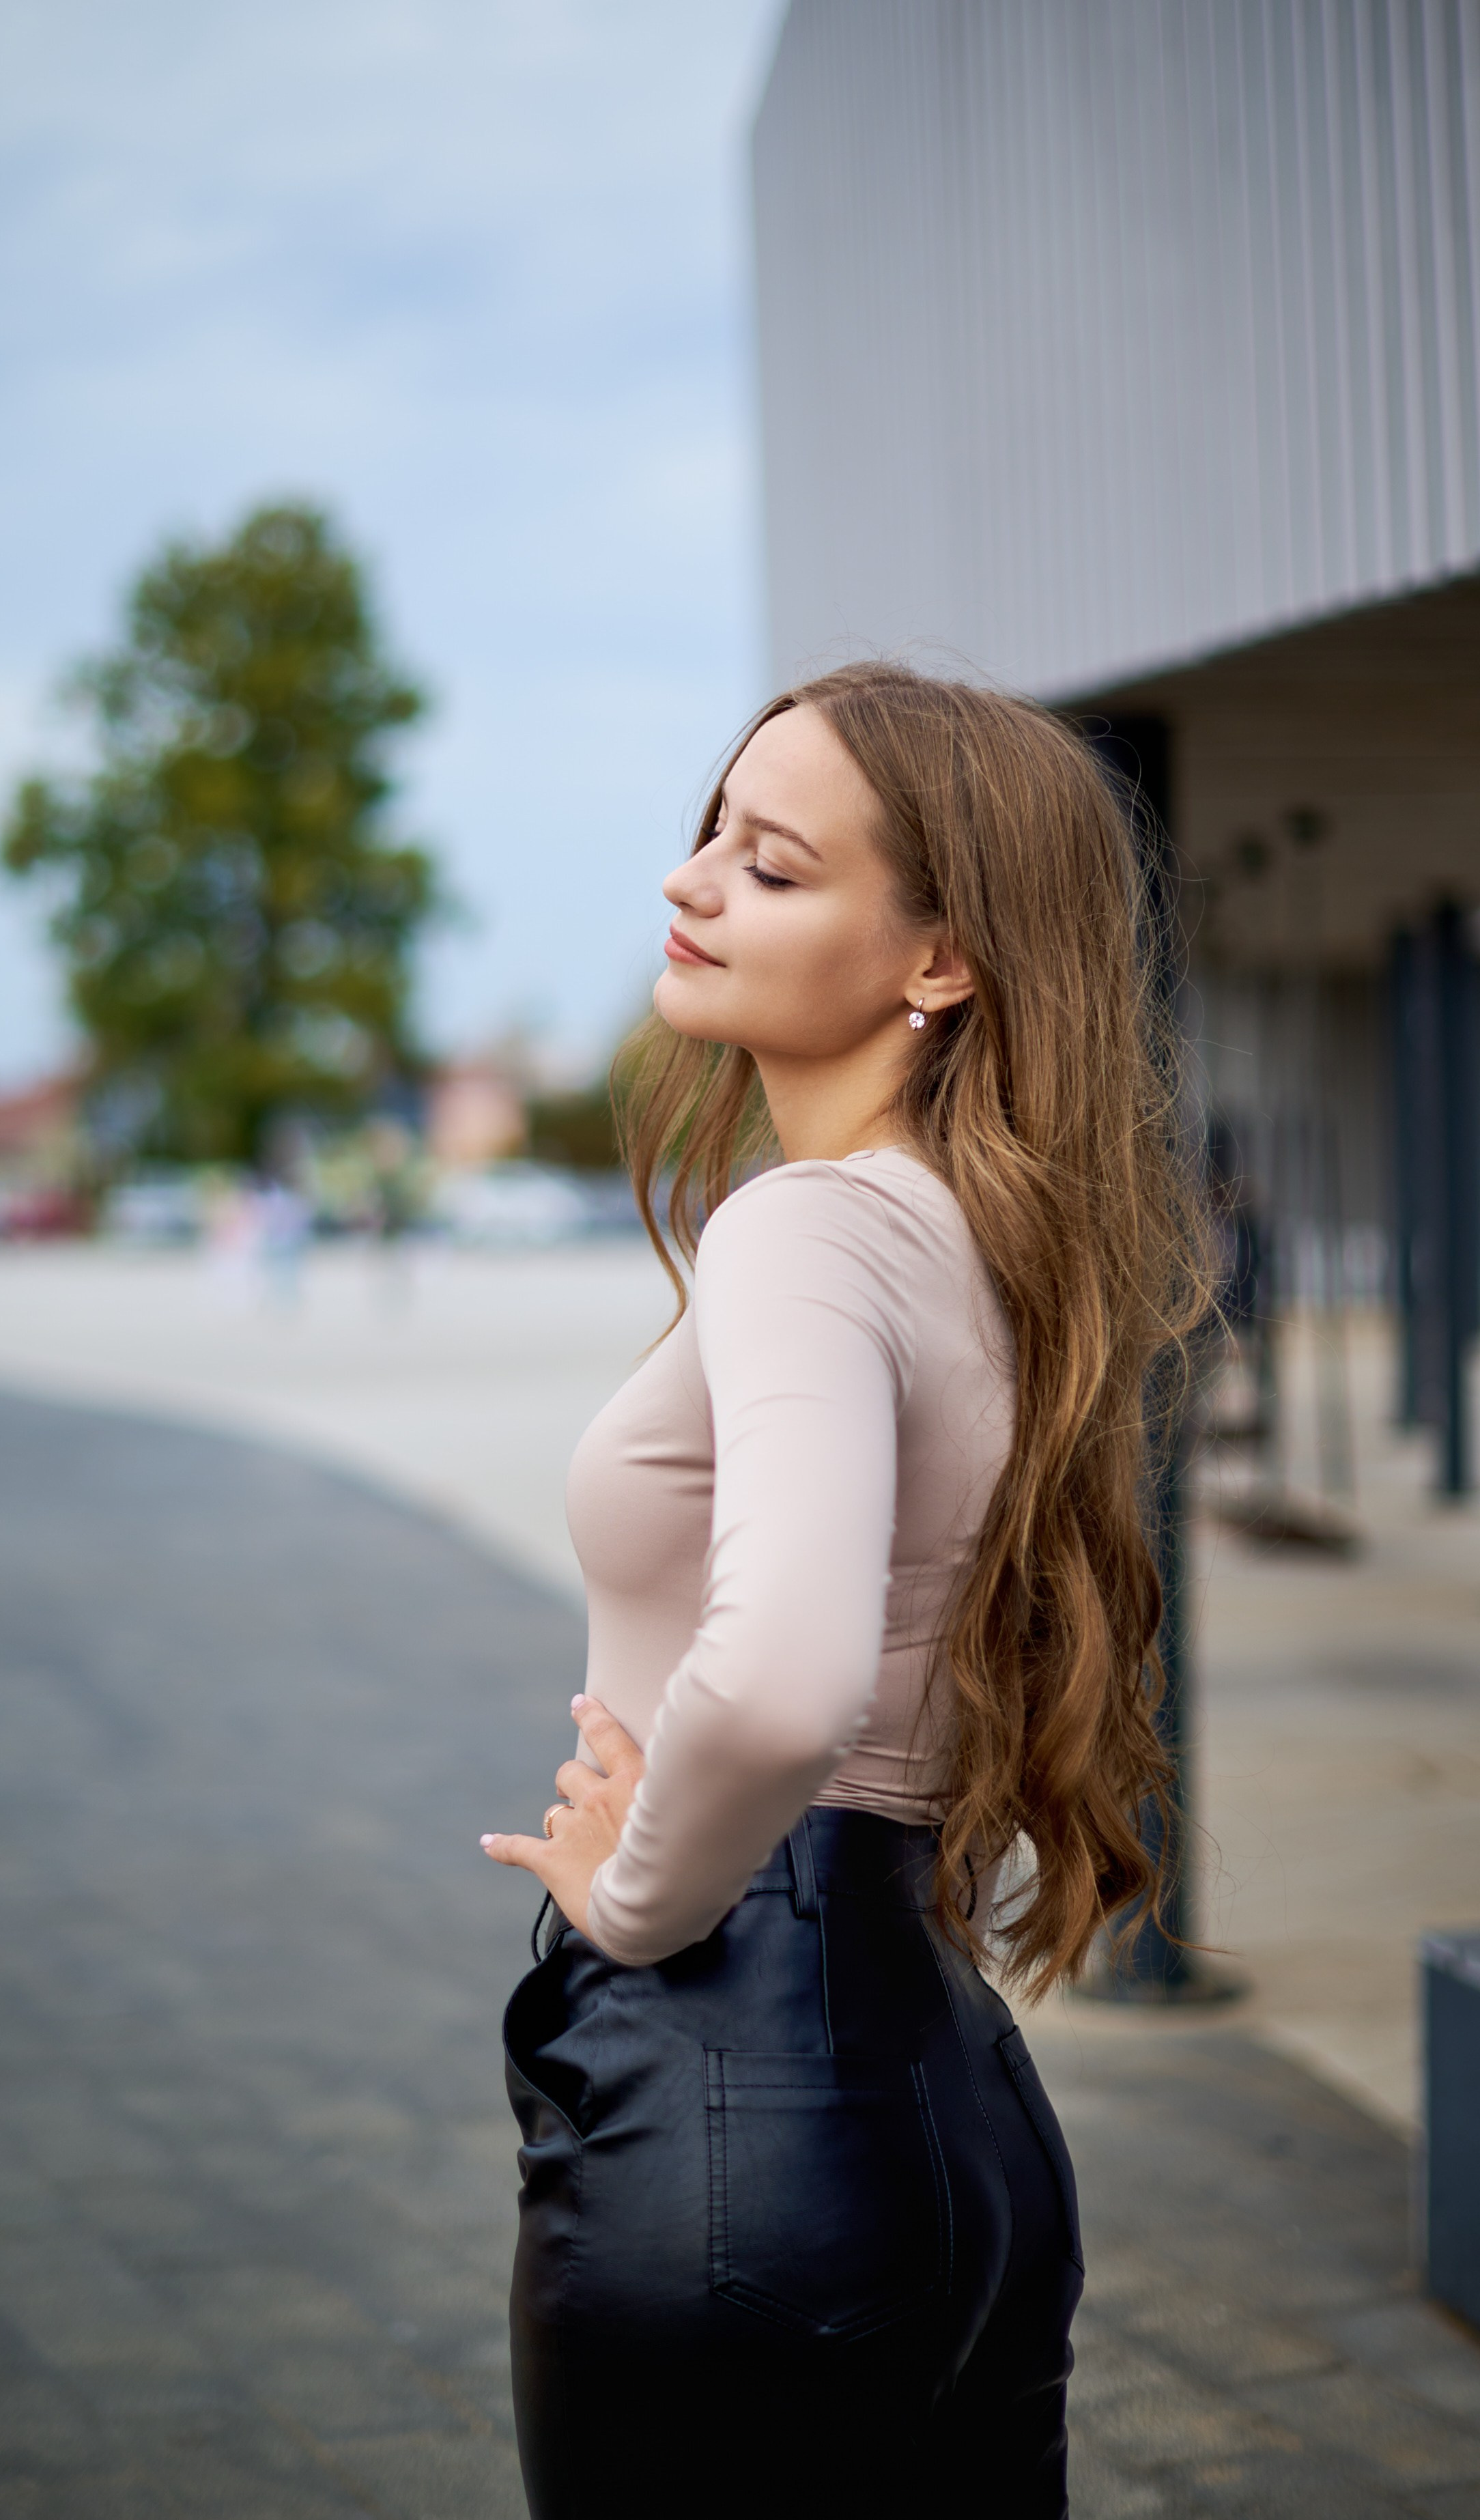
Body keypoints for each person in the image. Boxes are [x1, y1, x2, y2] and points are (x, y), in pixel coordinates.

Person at [479, 664, 1208, 2518]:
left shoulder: (803, 1228)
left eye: (773, 864)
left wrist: (630, 1903)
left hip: (737, 2079)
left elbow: (787, 1674)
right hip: (947, 2104)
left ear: (939, 958)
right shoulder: (984, 1240)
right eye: (707, 832)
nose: (691, 882)